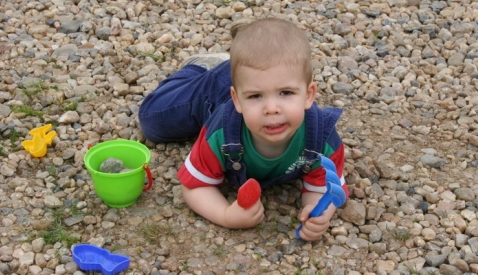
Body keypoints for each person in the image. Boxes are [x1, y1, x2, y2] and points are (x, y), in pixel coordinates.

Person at [138, 18, 349, 242]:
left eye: (286, 92)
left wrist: (318, 214)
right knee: (152, 121)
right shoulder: (220, 134)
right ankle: (201, 68)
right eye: (256, 96)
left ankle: (242, 71)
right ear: (237, 100)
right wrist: (226, 215)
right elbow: (195, 186)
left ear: (308, 95)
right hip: (215, 93)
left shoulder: (322, 140)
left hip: (244, 82)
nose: (271, 109)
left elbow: (325, 188)